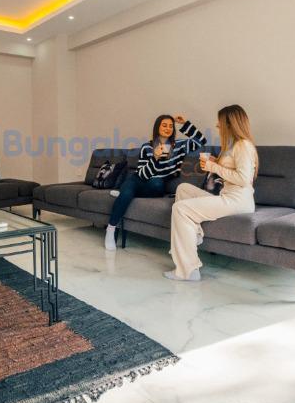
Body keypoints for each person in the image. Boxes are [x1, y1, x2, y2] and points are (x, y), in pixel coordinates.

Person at [165, 104, 258, 281]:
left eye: (220, 122)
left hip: (238, 201)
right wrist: (217, 162)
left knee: (180, 209)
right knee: (183, 189)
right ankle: (195, 235)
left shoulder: (243, 145)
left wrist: (213, 167)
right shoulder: (230, 145)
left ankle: (188, 270)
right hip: (228, 196)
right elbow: (232, 169)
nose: (217, 125)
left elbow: (243, 179)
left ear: (230, 123)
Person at [105, 113, 207, 250]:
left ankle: (125, 194)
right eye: (164, 125)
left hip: (156, 184)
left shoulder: (179, 146)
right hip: (138, 179)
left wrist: (185, 124)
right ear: (157, 127)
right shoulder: (147, 147)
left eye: (170, 126)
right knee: (130, 189)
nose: (168, 128)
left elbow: (201, 140)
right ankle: (110, 229)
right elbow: (142, 174)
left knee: (157, 182)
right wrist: (155, 158)